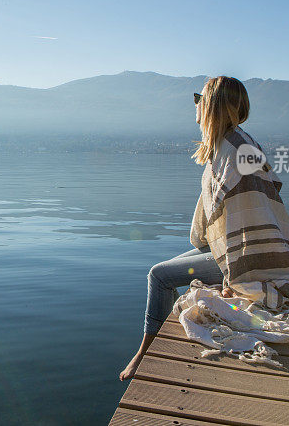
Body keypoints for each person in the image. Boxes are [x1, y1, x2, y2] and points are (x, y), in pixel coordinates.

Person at [119, 75, 251, 382]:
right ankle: (156, 345)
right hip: (225, 247)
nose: (195, 104)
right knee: (170, 269)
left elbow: (253, 215)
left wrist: (234, 274)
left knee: (159, 275)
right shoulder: (230, 144)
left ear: (213, 105)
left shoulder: (236, 150)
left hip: (239, 256)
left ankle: (146, 354)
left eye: (199, 97)